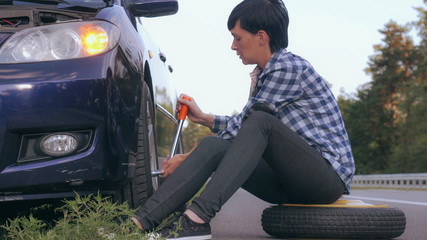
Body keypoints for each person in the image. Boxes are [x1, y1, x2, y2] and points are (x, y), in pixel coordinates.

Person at [131, 0, 356, 239]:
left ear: (261, 37)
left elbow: (251, 125)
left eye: (237, 38)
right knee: (214, 146)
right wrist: (205, 118)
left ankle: (196, 220)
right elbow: (246, 131)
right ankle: (139, 223)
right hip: (286, 180)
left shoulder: (289, 68)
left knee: (260, 121)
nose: (232, 46)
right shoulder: (265, 73)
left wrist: (186, 158)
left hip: (325, 179)